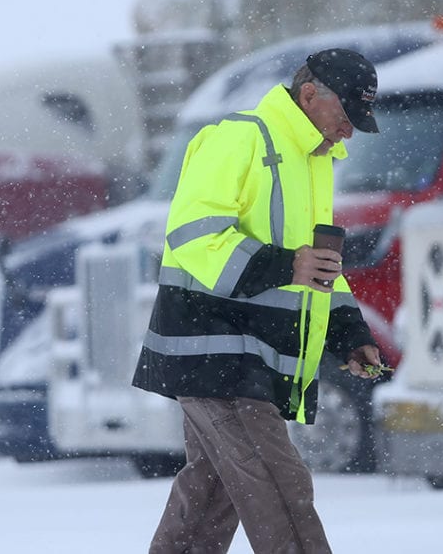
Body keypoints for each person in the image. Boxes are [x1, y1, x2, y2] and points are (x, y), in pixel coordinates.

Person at [132, 48, 383, 554]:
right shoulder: (242, 137)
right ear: (310, 95)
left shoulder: (311, 160)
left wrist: (348, 335)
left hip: (240, 360)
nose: (350, 132)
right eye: (347, 116)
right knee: (279, 490)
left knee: (210, 497)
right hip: (217, 354)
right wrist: (287, 264)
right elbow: (192, 235)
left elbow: (318, 267)